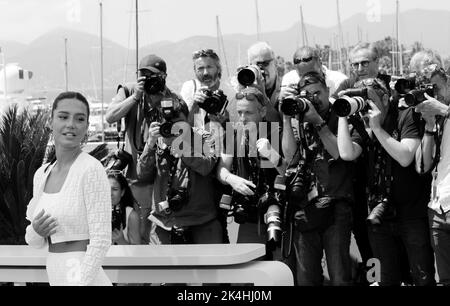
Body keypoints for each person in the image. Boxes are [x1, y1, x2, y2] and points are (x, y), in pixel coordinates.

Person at [337, 73, 436, 286]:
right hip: (378, 215)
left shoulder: (405, 114)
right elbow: (347, 153)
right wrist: (343, 114)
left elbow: (405, 157)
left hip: (411, 214)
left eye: (370, 102)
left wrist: (378, 129)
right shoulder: (364, 121)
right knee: (384, 279)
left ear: (385, 98)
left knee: (423, 277)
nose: (366, 111)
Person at [281, 72, 361, 286]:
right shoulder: (300, 118)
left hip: (336, 206)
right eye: (308, 95)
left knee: (339, 277)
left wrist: (318, 122)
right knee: (306, 279)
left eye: (318, 93)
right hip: (305, 207)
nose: (314, 98)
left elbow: (339, 153)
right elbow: (289, 156)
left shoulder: (343, 114)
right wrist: (287, 117)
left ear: (327, 90)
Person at [25, 91, 111, 286]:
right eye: (63, 117)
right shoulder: (42, 174)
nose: (71, 124)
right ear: (51, 121)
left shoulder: (91, 169)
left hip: (83, 278)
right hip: (55, 273)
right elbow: (34, 241)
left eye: (79, 119)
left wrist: (80, 283)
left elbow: (101, 241)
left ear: (87, 127)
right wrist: (36, 231)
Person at [106, 54, 178, 244]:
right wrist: (136, 97)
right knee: (135, 235)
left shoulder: (172, 99)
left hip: (160, 180)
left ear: (164, 76)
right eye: (143, 75)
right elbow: (110, 116)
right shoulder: (129, 91)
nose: (149, 80)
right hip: (134, 179)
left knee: (158, 237)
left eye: (154, 76)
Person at [136, 96, 223, 245]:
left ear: (188, 120)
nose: (174, 129)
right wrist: (149, 144)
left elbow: (206, 166)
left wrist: (180, 145)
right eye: (168, 123)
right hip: (164, 222)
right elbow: (142, 175)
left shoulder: (205, 137)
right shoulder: (157, 142)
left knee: (210, 267)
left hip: (201, 221)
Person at [216, 87, 285, 256]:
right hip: (249, 215)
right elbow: (221, 170)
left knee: (280, 272)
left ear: (262, 111)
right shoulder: (233, 134)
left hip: (278, 214)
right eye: (239, 112)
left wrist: (272, 155)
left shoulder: (277, 132)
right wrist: (232, 179)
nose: (242, 118)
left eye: (248, 113)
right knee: (246, 273)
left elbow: (290, 172)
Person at [413, 49, 450, 286]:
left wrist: (444, 110)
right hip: (437, 208)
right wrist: (428, 125)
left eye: (435, 88)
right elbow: (421, 166)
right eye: (427, 91)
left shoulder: (445, 110)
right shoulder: (434, 117)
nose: (432, 95)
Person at [229, 42, 281, 124]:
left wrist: (263, 96)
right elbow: (232, 125)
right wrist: (240, 93)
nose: (261, 69)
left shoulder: (285, 89)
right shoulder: (244, 87)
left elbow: (281, 124)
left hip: (275, 135)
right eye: (257, 65)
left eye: (265, 63)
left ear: (275, 63)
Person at [180, 48, 229, 128]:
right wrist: (194, 105)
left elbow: (235, 133)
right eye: (200, 68)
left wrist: (224, 122)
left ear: (218, 69)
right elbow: (183, 128)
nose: (205, 73)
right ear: (195, 71)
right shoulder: (190, 88)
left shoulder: (230, 94)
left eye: (209, 67)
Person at [280, 46, 347, 102]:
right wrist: (282, 100)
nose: (308, 78)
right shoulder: (289, 79)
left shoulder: (339, 81)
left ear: (320, 63)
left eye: (312, 74)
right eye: (302, 75)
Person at [108, 171, 141, 245]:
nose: (110, 193)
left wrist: (120, 240)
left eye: (115, 189)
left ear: (122, 192)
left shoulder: (131, 215)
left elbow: (136, 251)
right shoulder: (94, 213)